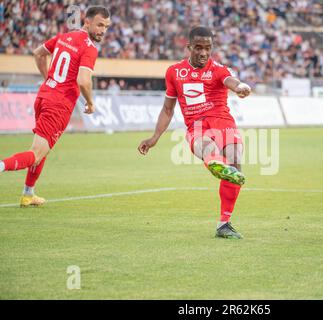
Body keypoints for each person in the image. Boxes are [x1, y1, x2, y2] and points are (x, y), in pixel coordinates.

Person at [138, 26, 251, 239]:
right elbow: (168, 109)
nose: (203, 53)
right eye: (198, 48)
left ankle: (224, 223)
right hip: (197, 125)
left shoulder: (218, 69)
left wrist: (240, 87)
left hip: (223, 121)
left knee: (235, 160)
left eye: (207, 48)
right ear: (189, 47)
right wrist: (155, 137)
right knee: (208, 147)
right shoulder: (174, 72)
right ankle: (215, 163)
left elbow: (231, 82)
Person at [0, 6, 111, 207]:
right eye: (99, 25)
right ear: (87, 22)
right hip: (59, 105)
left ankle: (28, 193)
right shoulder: (89, 47)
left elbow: (38, 54)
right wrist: (91, 103)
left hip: (44, 96)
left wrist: (48, 79)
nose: (103, 30)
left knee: (42, 148)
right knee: (36, 154)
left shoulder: (64, 37)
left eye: (106, 26)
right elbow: (84, 81)